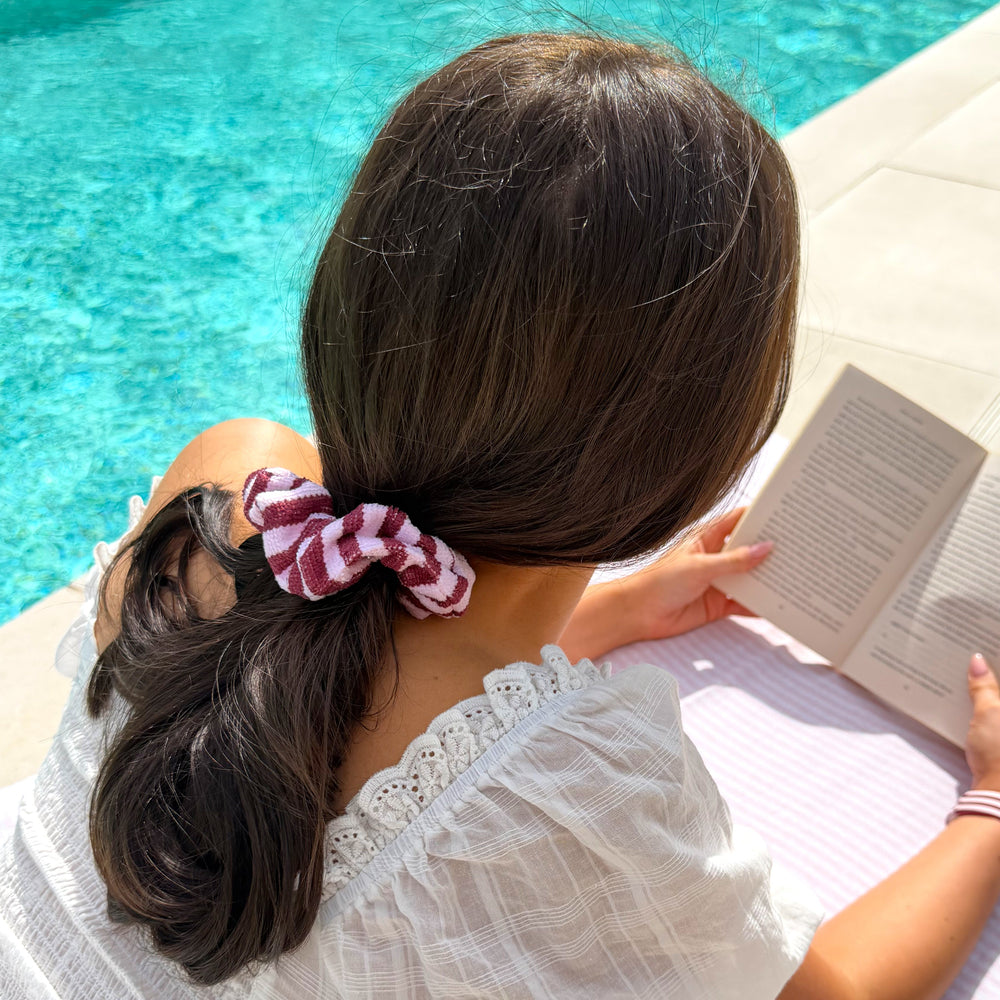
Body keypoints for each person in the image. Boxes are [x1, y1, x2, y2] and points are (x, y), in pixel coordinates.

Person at [3, 30, 1000, 1000]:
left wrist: (608, 612)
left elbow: (340, 667)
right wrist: (988, 806)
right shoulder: (569, 784)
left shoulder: (224, 485)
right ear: (689, 449)